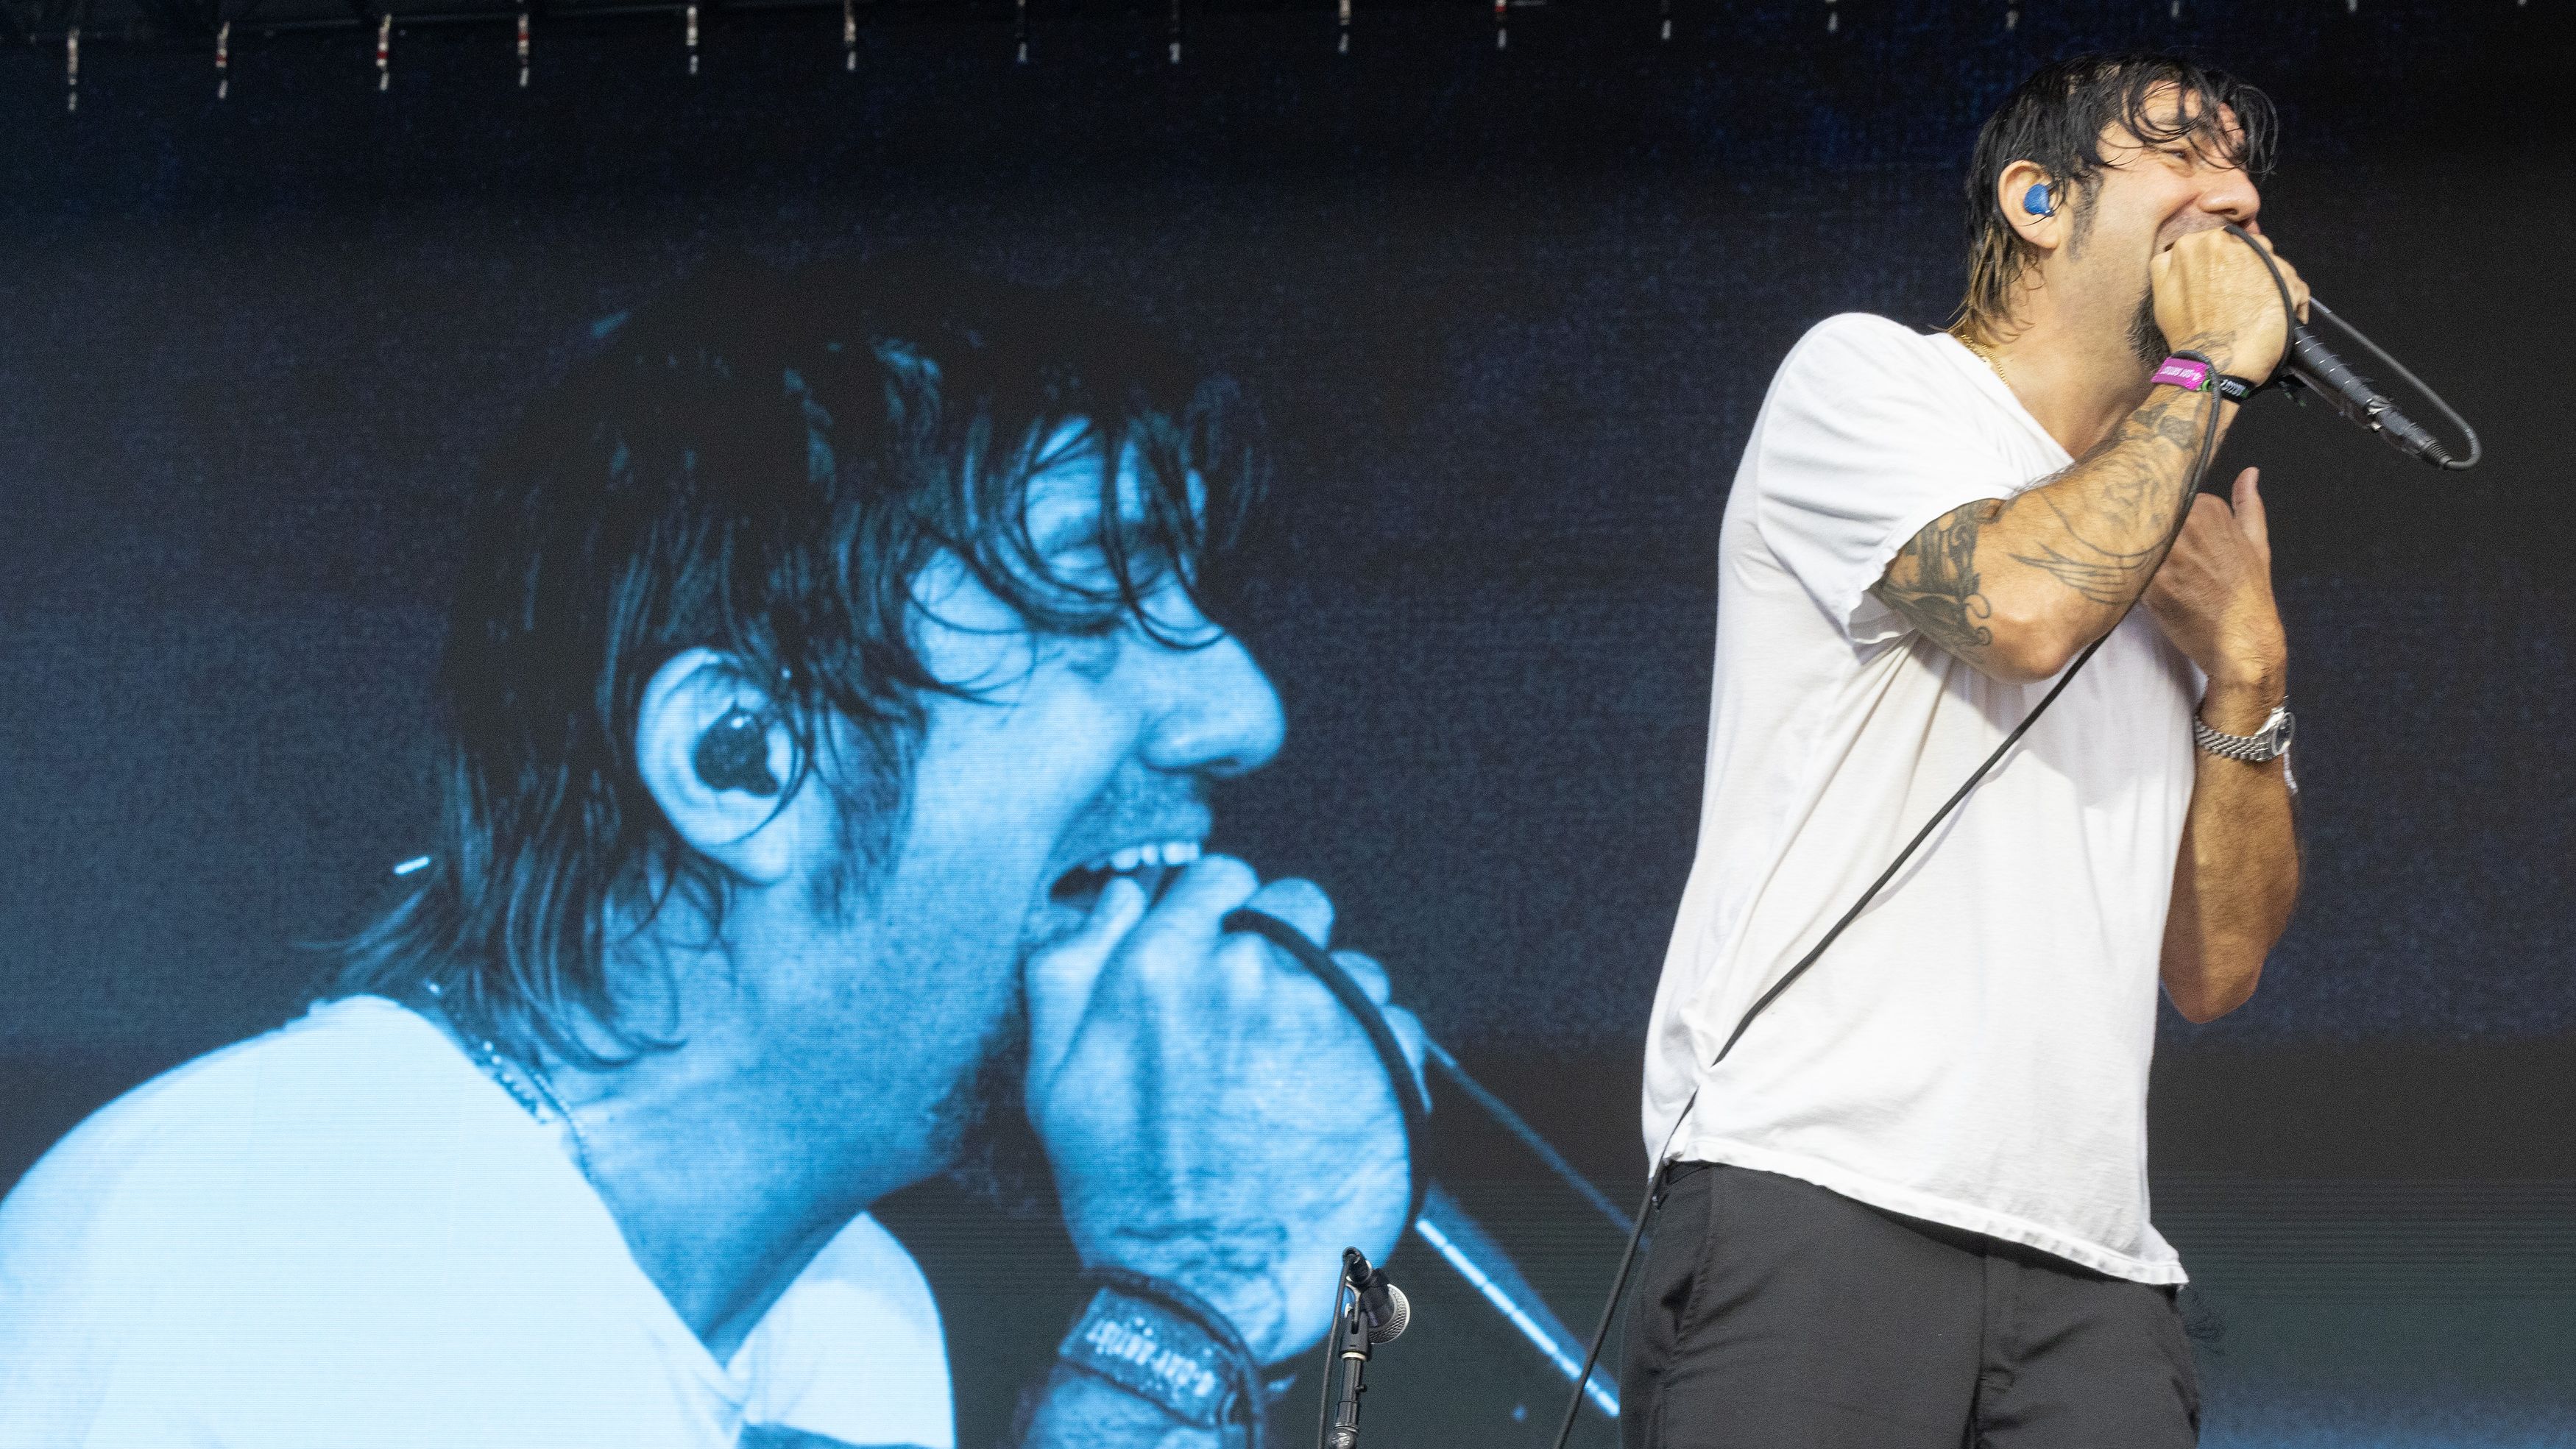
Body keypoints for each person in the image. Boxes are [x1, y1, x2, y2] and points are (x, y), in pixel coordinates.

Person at [0, 258, 1423, 1449]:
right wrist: (1178, 1313)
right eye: (1094, 601)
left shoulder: (847, 1317)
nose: (1246, 711)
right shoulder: (291, 1268)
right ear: (740, 759)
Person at [1626, 54, 2305, 1448]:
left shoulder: (2176, 528)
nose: (2234, 195)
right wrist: (2209, 367)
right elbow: (2022, 605)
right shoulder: (1866, 380)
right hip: (1814, 1192)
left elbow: (2215, 967)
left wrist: (2249, 659)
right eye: (2183, 155)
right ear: (2040, 198)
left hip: (2095, 1270)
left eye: (2247, 175)